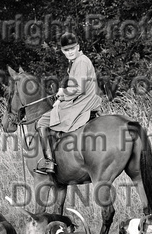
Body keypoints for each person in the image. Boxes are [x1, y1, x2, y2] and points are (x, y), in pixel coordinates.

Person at [34, 32, 102, 174]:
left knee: (42, 122)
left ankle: (49, 162)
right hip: (80, 100)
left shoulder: (81, 62)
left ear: (78, 47)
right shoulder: (75, 62)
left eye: (72, 48)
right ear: (63, 51)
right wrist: (60, 99)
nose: (70, 52)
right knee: (55, 111)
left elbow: (79, 88)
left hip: (83, 103)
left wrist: (62, 92)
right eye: (66, 50)